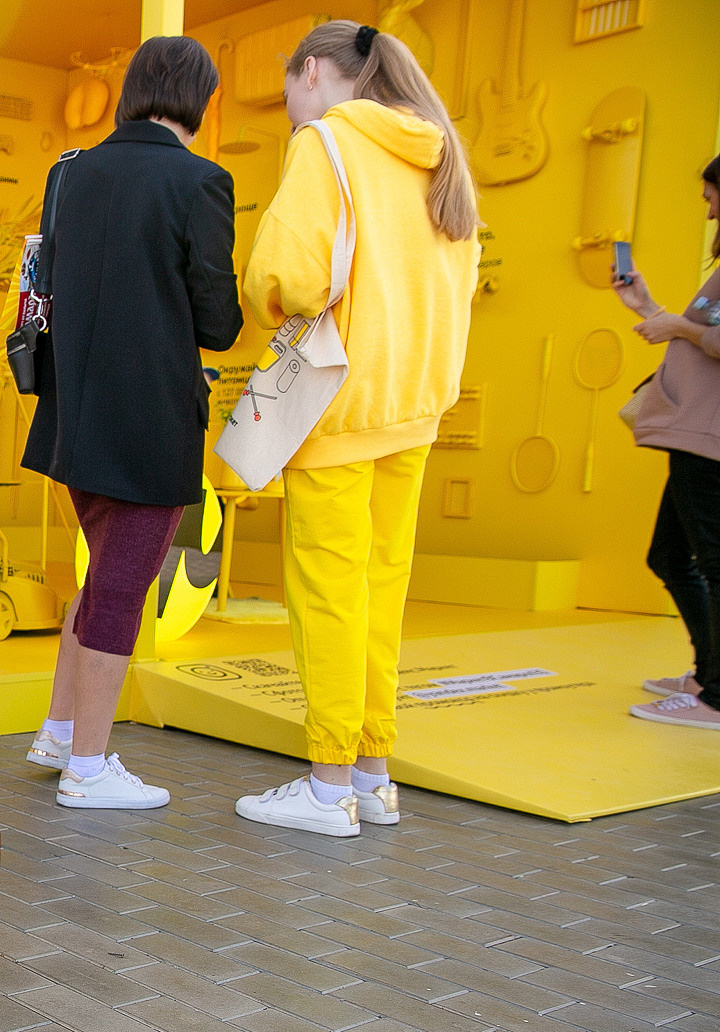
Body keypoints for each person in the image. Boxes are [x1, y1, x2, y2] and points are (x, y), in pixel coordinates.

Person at [233, 21, 480, 835]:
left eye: (288, 89)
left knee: (328, 595)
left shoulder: (327, 143)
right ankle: (373, 775)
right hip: (414, 407)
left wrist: (267, 302)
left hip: (339, 403)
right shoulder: (439, 154)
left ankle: (326, 783)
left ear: (312, 71)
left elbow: (287, 278)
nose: (289, 107)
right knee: (379, 593)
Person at [19, 37, 241, 810]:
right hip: (152, 420)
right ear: (200, 99)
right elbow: (218, 322)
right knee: (120, 587)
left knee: (101, 574)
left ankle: (59, 732)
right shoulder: (202, 181)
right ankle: (87, 769)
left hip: (73, 417)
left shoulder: (71, 172)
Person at [617, 154, 720, 732]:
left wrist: (676, 325)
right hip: (696, 433)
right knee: (670, 556)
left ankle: (717, 695)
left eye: (711, 197)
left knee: (711, 563)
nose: (709, 211)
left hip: (710, 437)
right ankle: (708, 676)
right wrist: (651, 309)